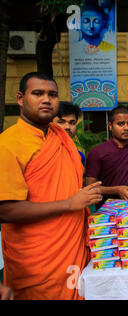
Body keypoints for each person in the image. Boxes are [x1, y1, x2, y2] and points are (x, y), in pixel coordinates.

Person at [0, 72, 102, 300]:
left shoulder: (61, 139)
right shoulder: (8, 144)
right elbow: (5, 209)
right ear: (20, 98)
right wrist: (69, 204)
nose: (47, 99)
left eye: (52, 95)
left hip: (72, 248)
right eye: (38, 93)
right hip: (37, 258)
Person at [85, 107, 128, 207]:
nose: (126, 128)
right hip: (109, 211)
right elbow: (89, 187)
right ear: (110, 126)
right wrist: (116, 190)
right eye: (121, 124)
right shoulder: (98, 152)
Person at [52, 101, 86, 166]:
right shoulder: (39, 152)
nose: (67, 127)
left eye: (72, 123)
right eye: (61, 122)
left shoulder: (79, 157)